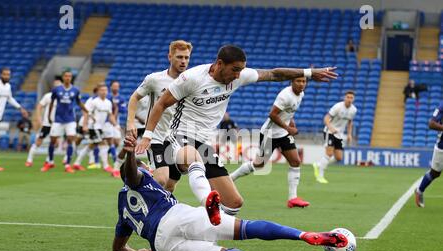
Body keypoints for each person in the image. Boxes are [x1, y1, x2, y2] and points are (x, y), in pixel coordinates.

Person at [131, 44, 337, 216]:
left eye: (241, 70)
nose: (238, 75)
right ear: (219, 64)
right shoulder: (192, 78)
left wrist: (308, 73)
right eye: (235, 69)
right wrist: (148, 136)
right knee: (188, 161)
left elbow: (273, 74)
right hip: (178, 137)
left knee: (233, 202)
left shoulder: (238, 76)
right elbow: (160, 104)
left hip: (203, 143)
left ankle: (200, 228)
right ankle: (206, 202)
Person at [112, 133, 349, 251]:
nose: (149, 168)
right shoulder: (140, 179)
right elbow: (131, 175)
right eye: (146, 167)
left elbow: (118, 248)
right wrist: (132, 155)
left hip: (162, 246)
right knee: (248, 228)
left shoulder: (123, 209)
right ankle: (303, 235)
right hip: (178, 217)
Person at [116, 39, 193, 190]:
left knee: (170, 185)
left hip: (176, 137)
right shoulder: (154, 79)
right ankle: (137, 192)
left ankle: (162, 209)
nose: (183, 61)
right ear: (169, 57)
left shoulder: (191, 81)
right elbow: (134, 98)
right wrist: (130, 123)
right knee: (162, 180)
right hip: (156, 136)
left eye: (186, 57)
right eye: (179, 57)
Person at [230, 77, 309, 208]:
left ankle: (293, 198)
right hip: (269, 134)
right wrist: (288, 128)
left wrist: (291, 125)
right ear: (292, 82)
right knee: (259, 165)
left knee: (295, 161)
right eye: (298, 81)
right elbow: (272, 115)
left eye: (303, 81)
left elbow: (289, 113)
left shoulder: (301, 94)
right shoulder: (285, 95)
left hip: (283, 134)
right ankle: (230, 178)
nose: (301, 84)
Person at [41, 70, 90, 173]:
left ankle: (67, 164)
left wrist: (87, 111)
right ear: (63, 77)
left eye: (70, 76)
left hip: (70, 120)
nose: (68, 78)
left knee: (71, 139)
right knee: (53, 140)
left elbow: (79, 102)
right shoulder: (56, 90)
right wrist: (50, 116)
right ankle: (50, 162)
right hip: (58, 119)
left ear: (71, 78)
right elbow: (51, 103)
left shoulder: (75, 90)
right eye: (66, 76)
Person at [313, 91, 357, 184]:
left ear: (353, 99)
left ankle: (318, 164)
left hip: (339, 134)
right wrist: (331, 128)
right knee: (329, 154)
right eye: (348, 97)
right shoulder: (337, 107)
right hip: (329, 132)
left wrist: (349, 134)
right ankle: (320, 176)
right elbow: (326, 118)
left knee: (339, 158)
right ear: (344, 98)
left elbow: (350, 122)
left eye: (351, 98)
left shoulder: (353, 110)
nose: (349, 99)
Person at [73, 83, 117, 172]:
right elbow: (86, 113)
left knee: (91, 145)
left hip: (100, 127)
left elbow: (110, 114)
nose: (104, 92)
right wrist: (85, 125)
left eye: (105, 90)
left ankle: (77, 163)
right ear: (98, 92)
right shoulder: (94, 102)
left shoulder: (108, 103)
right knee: (103, 143)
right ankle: (106, 166)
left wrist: (115, 123)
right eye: (102, 90)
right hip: (93, 126)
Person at [0, 67, 28, 171]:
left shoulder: (8, 86)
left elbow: (10, 98)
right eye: (5, 74)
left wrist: (20, 108)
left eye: (8, 74)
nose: (7, 76)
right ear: (0, 75)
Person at [25, 78, 62, 167]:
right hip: (46, 123)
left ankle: (48, 161)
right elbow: (39, 107)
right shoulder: (48, 96)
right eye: (55, 85)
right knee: (39, 141)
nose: (57, 87)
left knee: (56, 143)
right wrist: (39, 118)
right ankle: (29, 160)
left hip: (57, 124)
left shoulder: (63, 97)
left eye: (59, 85)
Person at [415, 103, 443, 207]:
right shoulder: (442, 106)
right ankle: (419, 190)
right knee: (435, 173)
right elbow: (431, 124)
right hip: (442, 146)